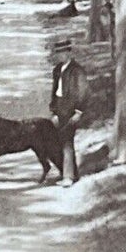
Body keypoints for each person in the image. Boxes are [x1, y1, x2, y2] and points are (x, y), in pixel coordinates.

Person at [50, 35, 90, 186]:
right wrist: (54, 111)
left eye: (64, 53)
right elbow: (54, 92)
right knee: (59, 141)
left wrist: (78, 112)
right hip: (59, 108)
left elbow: (84, 92)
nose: (61, 56)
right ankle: (69, 172)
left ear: (69, 53)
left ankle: (68, 177)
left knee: (67, 141)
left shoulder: (77, 71)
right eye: (58, 53)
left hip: (71, 109)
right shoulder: (57, 70)